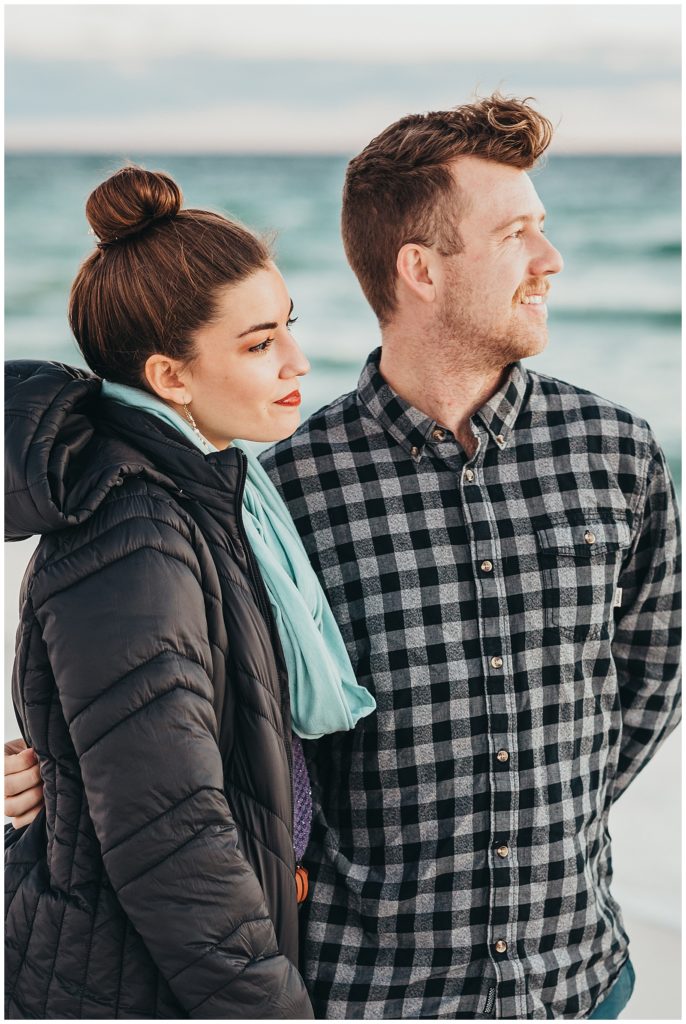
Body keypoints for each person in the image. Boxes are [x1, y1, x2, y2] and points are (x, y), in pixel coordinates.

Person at [7, 94, 681, 1019]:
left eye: (546, 227)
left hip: (579, 981)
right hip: (367, 992)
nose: (550, 259)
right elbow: (203, 729)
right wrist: (69, 769)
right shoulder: (275, 490)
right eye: (516, 231)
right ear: (421, 269)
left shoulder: (619, 449)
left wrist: (540, 810)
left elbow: (654, 665)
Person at [3, 166, 375, 1019]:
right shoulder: (136, 532)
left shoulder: (203, 492)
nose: (297, 361)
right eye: (257, 345)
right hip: (126, 983)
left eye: (288, 326)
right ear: (172, 378)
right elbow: (171, 831)